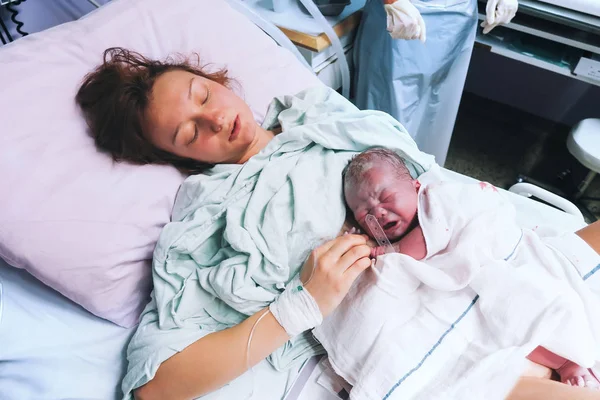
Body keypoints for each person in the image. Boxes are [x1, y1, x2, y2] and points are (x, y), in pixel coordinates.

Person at [76, 48, 600, 400]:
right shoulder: (211, 216)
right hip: (414, 317)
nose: (214, 119)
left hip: (483, 249)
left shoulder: (325, 115)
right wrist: (301, 304)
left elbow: (420, 169)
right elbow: (155, 384)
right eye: (189, 132)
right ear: (177, 158)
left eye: (203, 96)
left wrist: (461, 198)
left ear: (217, 81)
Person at [343, 147, 599, 389]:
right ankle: (559, 360)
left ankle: (568, 360)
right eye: (364, 213)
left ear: (416, 186)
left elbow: (420, 243)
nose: (379, 213)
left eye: (386, 198)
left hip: (500, 262)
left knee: (524, 306)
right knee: (501, 328)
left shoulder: (440, 200)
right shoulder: (390, 235)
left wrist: (383, 252)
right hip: (470, 287)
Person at [353, 0, 517, 166]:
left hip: (458, 17)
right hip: (404, 16)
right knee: (388, 126)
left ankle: (422, 181)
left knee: (438, 114)